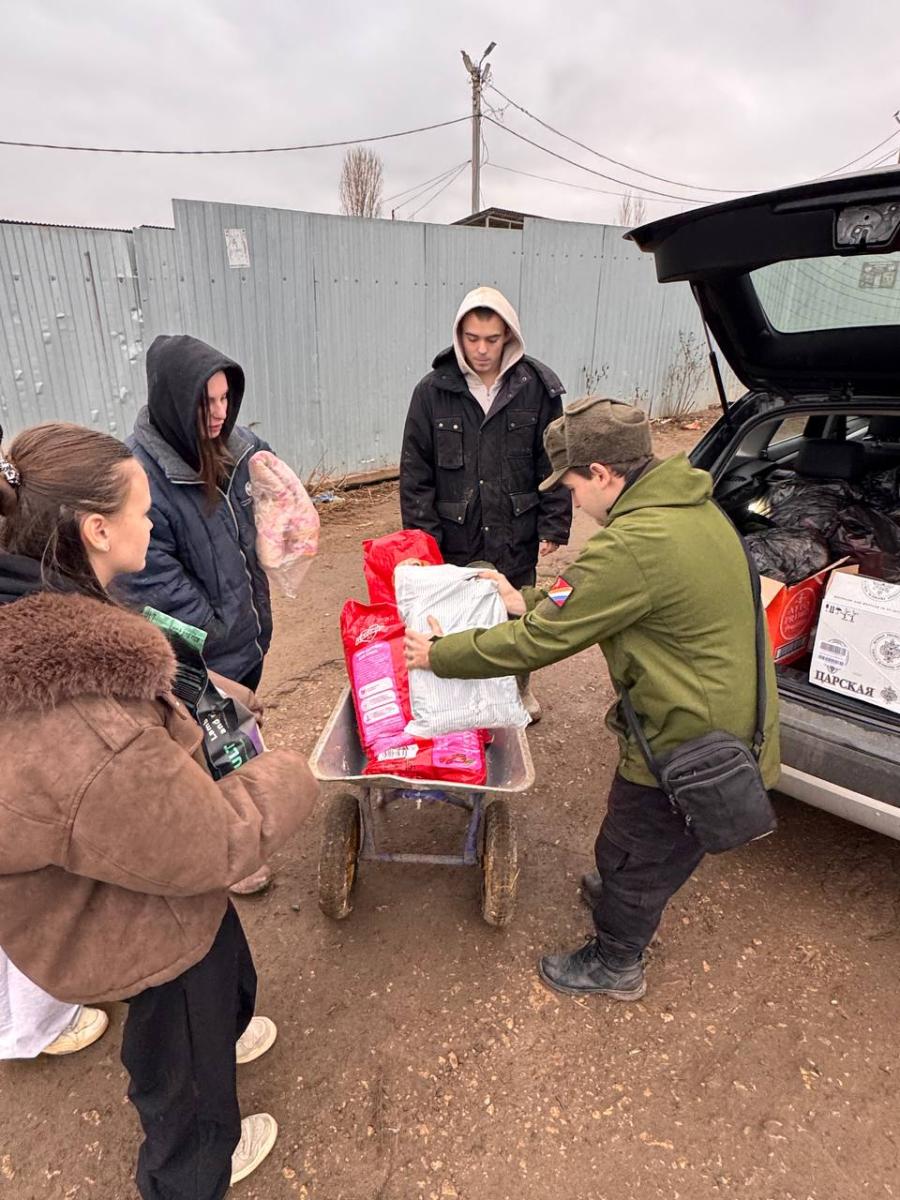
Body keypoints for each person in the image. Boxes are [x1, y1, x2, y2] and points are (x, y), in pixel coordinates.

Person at [0, 422, 319, 1198]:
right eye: (143, 513)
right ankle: (191, 1167)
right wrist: (294, 775)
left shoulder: (50, 604)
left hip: (121, 864)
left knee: (224, 969)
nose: (153, 526)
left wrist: (211, 704)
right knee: (178, 1052)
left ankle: (227, 1037)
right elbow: (215, 844)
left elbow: (157, 700)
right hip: (129, 919)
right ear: (96, 528)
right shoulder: (83, 726)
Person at [405, 397, 780, 1002]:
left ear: (603, 474)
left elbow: (541, 640)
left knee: (633, 848)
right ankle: (623, 893)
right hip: (723, 712)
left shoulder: (632, 543)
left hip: (689, 741)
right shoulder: (686, 508)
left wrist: (439, 655)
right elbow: (585, 600)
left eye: (572, 485)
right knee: (637, 849)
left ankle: (616, 962)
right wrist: (519, 596)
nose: (571, 501)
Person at [123, 334, 276, 894]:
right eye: (205, 403)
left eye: (224, 399)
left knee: (238, 731)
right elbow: (152, 586)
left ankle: (245, 810)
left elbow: (269, 487)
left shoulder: (234, 443)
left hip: (245, 632)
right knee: (205, 743)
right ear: (172, 401)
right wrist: (217, 628)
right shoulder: (139, 477)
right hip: (200, 651)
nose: (218, 415)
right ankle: (230, 853)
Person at [399, 286, 572, 720]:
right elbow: (415, 472)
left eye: (492, 339)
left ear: (509, 336)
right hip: (454, 531)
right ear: (459, 335)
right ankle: (458, 704)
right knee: (456, 615)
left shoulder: (537, 389)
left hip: (516, 528)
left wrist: (554, 523)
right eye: (472, 338)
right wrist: (423, 540)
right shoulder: (432, 391)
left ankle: (518, 693)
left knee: (515, 614)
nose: (481, 349)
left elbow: (553, 460)